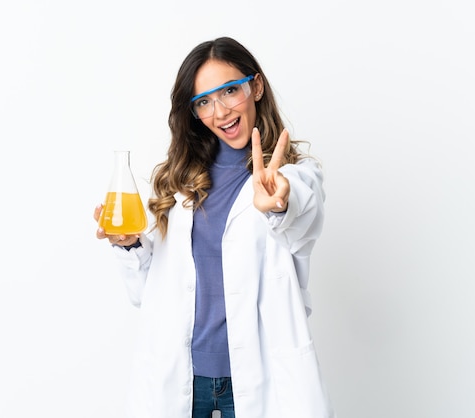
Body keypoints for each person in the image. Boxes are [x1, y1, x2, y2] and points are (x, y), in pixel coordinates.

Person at [94, 36, 335, 418]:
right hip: (184, 378)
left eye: (230, 91)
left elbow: (303, 220)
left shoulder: (294, 175)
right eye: (204, 101)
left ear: (255, 87)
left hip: (258, 376)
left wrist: (280, 202)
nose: (220, 111)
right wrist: (129, 245)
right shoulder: (179, 181)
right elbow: (148, 293)